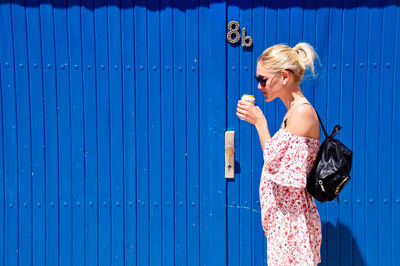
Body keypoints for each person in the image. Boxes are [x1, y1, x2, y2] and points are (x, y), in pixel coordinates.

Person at [236, 42, 322, 265]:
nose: (259, 86)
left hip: (293, 225)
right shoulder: (292, 112)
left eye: (262, 79)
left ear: (284, 76)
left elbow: (276, 164)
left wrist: (259, 121)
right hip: (284, 224)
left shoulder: (302, 112)